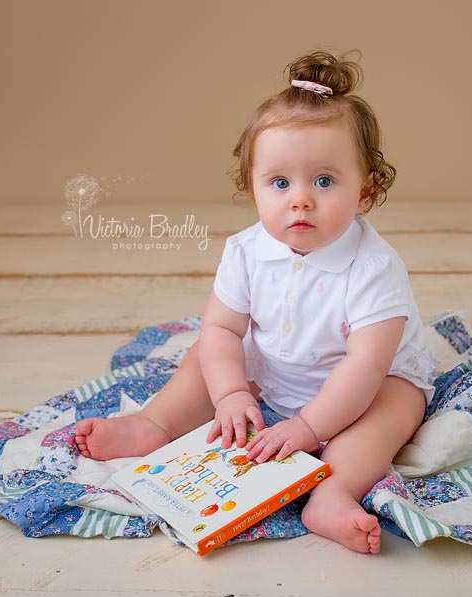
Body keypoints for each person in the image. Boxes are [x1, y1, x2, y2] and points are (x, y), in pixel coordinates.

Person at [75, 49, 440, 554]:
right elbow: (223, 329)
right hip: (273, 366)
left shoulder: (374, 269)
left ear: (365, 191)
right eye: (280, 182)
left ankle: (331, 496)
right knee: (204, 355)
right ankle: (153, 424)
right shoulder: (246, 250)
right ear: (253, 188)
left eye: (325, 181)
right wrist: (229, 394)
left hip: (365, 382)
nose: (300, 199)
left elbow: (365, 365)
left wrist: (310, 426)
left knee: (394, 409)